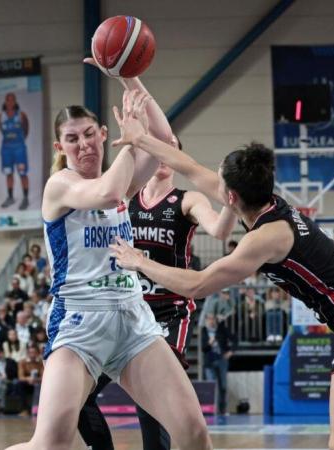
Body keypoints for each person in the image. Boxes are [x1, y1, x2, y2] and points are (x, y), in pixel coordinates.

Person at [108, 115, 334, 450]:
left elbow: (197, 285)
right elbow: (189, 165)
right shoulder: (267, 202)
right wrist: (140, 139)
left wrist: (140, 261)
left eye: (220, 179)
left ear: (230, 197)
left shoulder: (264, 238)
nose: (212, 180)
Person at [4, 92, 212, 450]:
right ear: (60, 146)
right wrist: (133, 142)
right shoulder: (60, 186)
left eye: (88, 134)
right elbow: (106, 191)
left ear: (102, 133)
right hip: (80, 323)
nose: (83, 144)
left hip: (132, 319)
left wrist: (128, 75)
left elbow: (165, 142)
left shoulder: (123, 178)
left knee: (193, 433)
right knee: (50, 444)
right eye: (72, 139)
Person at [79, 124, 236, 449]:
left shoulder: (187, 199)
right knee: (80, 397)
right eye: (158, 147)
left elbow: (220, 231)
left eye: (170, 147)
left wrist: (233, 200)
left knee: (149, 401)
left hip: (169, 311)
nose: (163, 154)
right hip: (126, 309)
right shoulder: (125, 198)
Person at [0, 92, 30, 210]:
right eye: (8, 100)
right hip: (6, 149)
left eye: (12, 100)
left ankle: (25, 198)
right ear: (5, 102)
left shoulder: (21, 115)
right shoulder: (0, 116)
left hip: (19, 148)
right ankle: (10, 197)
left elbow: (26, 130)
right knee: (8, 173)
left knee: (22, 173)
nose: (10, 102)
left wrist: (18, 141)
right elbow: (2, 130)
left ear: (15, 101)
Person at [201, 313, 237, 414]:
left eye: (213, 319)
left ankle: (223, 409)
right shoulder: (203, 331)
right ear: (206, 320)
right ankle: (212, 410)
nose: (211, 321)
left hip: (221, 359)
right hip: (209, 361)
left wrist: (231, 351)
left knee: (223, 386)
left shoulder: (221, 329)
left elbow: (234, 339)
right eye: (209, 319)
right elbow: (203, 348)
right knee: (211, 386)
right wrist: (209, 343)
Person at [16, 343, 44, 417]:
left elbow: (43, 377)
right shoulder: (22, 362)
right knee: (19, 384)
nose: (32, 354)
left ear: (38, 353)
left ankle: (37, 409)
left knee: (40, 385)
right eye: (30, 353)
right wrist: (28, 379)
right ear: (27, 353)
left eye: (34, 352)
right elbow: (20, 377)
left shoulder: (41, 362)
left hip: (38, 382)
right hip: (26, 383)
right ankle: (24, 409)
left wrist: (36, 379)